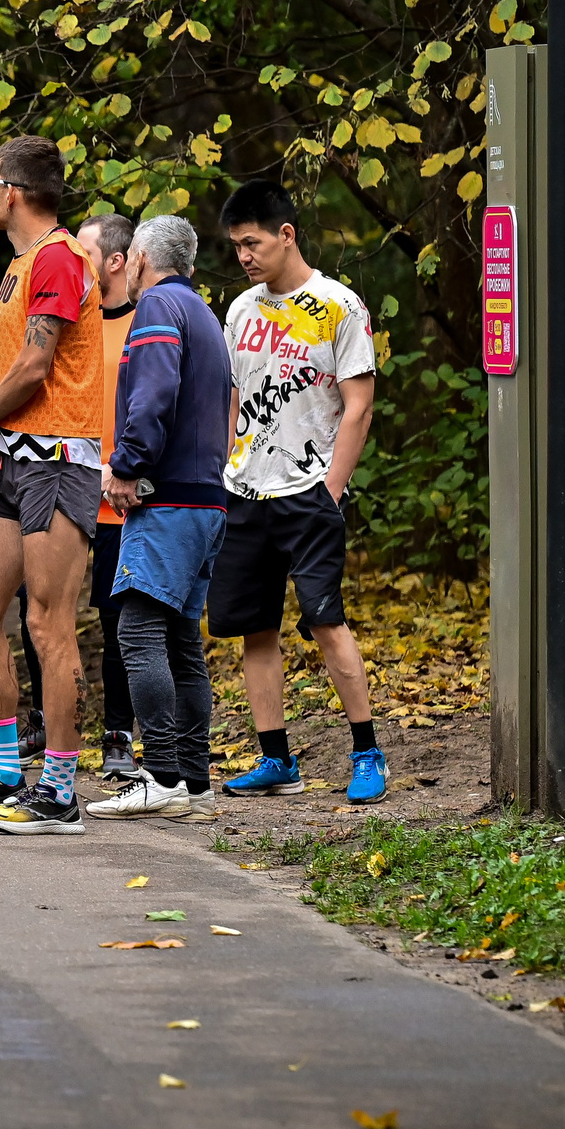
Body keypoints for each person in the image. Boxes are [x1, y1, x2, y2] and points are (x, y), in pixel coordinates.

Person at [0, 137, 107, 833]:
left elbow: (38, 364)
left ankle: (59, 791)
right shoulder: (22, 263)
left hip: (60, 459)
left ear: (14, 191)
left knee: (46, 622)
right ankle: (6, 771)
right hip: (15, 459)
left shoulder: (60, 256)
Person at [211, 180, 387, 805]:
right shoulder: (241, 310)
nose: (245, 257)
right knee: (254, 628)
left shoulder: (339, 306)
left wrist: (330, 491)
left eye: (252, 243)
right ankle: (275, 758)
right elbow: (234, 394)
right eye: (235, 247)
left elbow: (358, 405)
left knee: (325, 619)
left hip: (309, 490)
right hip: (245, 491)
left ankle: (367, 752)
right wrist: (226, 468)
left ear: (286, 234)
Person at [87, 215, 234, 820]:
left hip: (167, 498)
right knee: (181, 643)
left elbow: (152, 396)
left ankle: (163, 775)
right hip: (207, 498)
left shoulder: (155, 310)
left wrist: (125, 465)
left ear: (140, 258)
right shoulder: (203, 312)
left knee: (137, 632)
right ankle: (195, 783)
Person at [78, 212, 143, 785]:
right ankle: (44, 720)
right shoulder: (68, 320)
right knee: (37, 608)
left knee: (117, 619)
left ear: (116, 260)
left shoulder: (148, 322)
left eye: (87, 252)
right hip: (62, 489)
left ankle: (119, 734)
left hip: (123, 501)